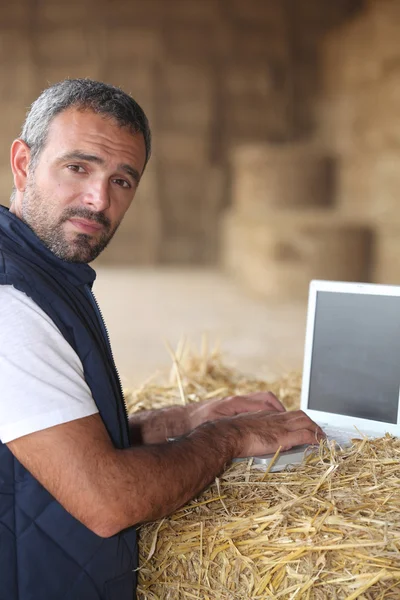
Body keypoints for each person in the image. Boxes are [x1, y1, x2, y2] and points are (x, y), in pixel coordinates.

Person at [0, 79, 324, 600]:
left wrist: (183, 420)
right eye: (78, 167)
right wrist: (228, 438)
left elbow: (42, 442)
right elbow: (108, 502)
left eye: (122, 180)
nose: (98, 200)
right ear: (23, 164)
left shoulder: (43, 273)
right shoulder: (10, 301)